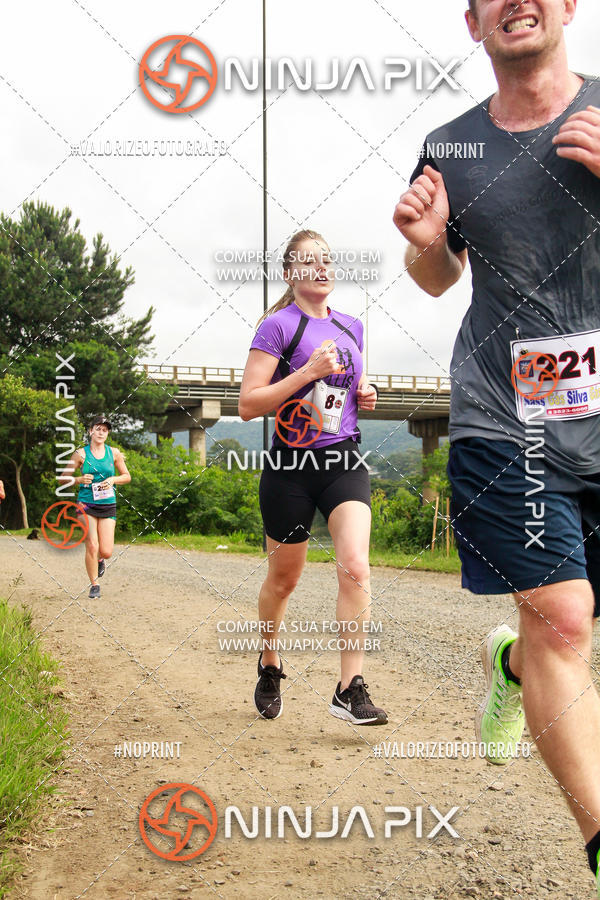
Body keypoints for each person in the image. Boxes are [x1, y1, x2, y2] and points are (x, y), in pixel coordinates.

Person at [393, 0, 600, 891]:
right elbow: (438, 279)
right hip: (502, 417)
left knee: (557, 631)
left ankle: (509, 666)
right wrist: (428, 246)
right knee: (565, 620)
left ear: (567, 7)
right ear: (471, 23)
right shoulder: (453, 145)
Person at [239, 229, 387, 726]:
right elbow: (247, 405)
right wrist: (305, 374)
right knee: (284, 580)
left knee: (355, 566)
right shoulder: (277, 327)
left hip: (342, 459)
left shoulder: (352, 327)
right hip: (289, 468)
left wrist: (362, 391)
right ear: (290, 274)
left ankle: (349, 688)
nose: (320, 268)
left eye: (326, 260)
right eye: (309, 262)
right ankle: (269, 661)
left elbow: (346, 390)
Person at [59, 415, 131, 599]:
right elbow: (63, 479)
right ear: (90, 431)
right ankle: (94, 585)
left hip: (107, 504)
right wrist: (79, 479)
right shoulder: (80, 454)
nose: (101, 432)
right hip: (86, 504)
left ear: (107, 434)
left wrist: (113, 479)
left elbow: (126, 476)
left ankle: (100, 560)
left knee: (106, 551)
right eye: (98, 429)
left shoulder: (113, 453)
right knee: (92, 544)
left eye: (104, 430)